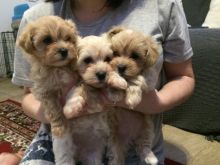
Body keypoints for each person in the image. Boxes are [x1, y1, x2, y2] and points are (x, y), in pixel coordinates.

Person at [7, 0, 195, 164]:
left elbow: (184, 77)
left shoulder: (164, 5)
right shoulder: (34, 17)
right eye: (48, 41)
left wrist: (153, 103)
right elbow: (30, 95)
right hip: (62, 138)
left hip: (131, 144)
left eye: (67, 40)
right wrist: (58, 117)